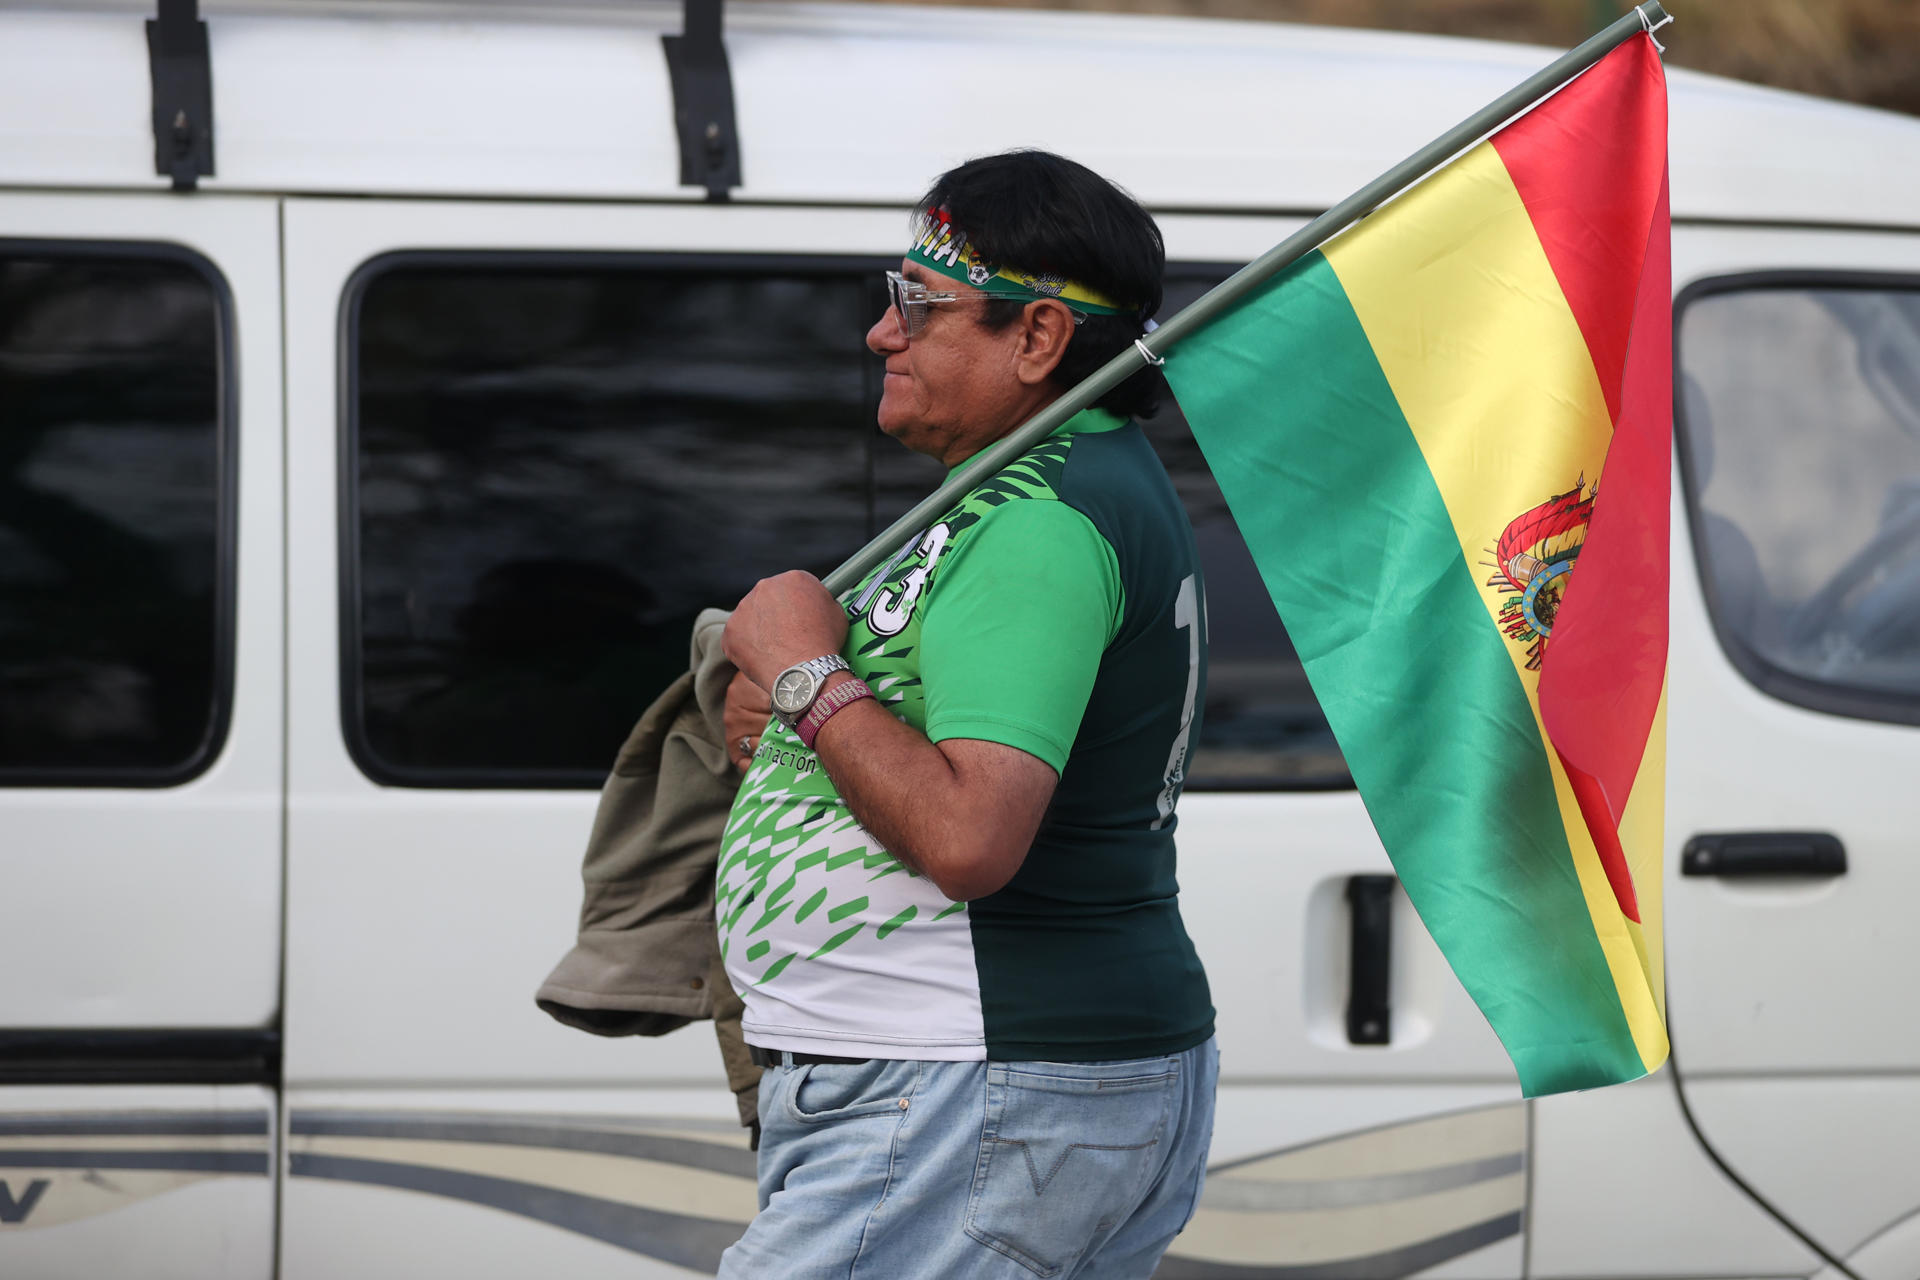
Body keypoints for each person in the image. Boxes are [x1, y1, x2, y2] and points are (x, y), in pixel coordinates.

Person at [714, 148, 1216, 1280]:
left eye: (916, 303)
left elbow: (969, 835)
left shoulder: (1040, 515)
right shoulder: (1046, 479)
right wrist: (795, 700)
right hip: (977, 1086)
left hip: (968, 1083)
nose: (879, 334)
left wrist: (806, 676)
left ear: (1038, 338)